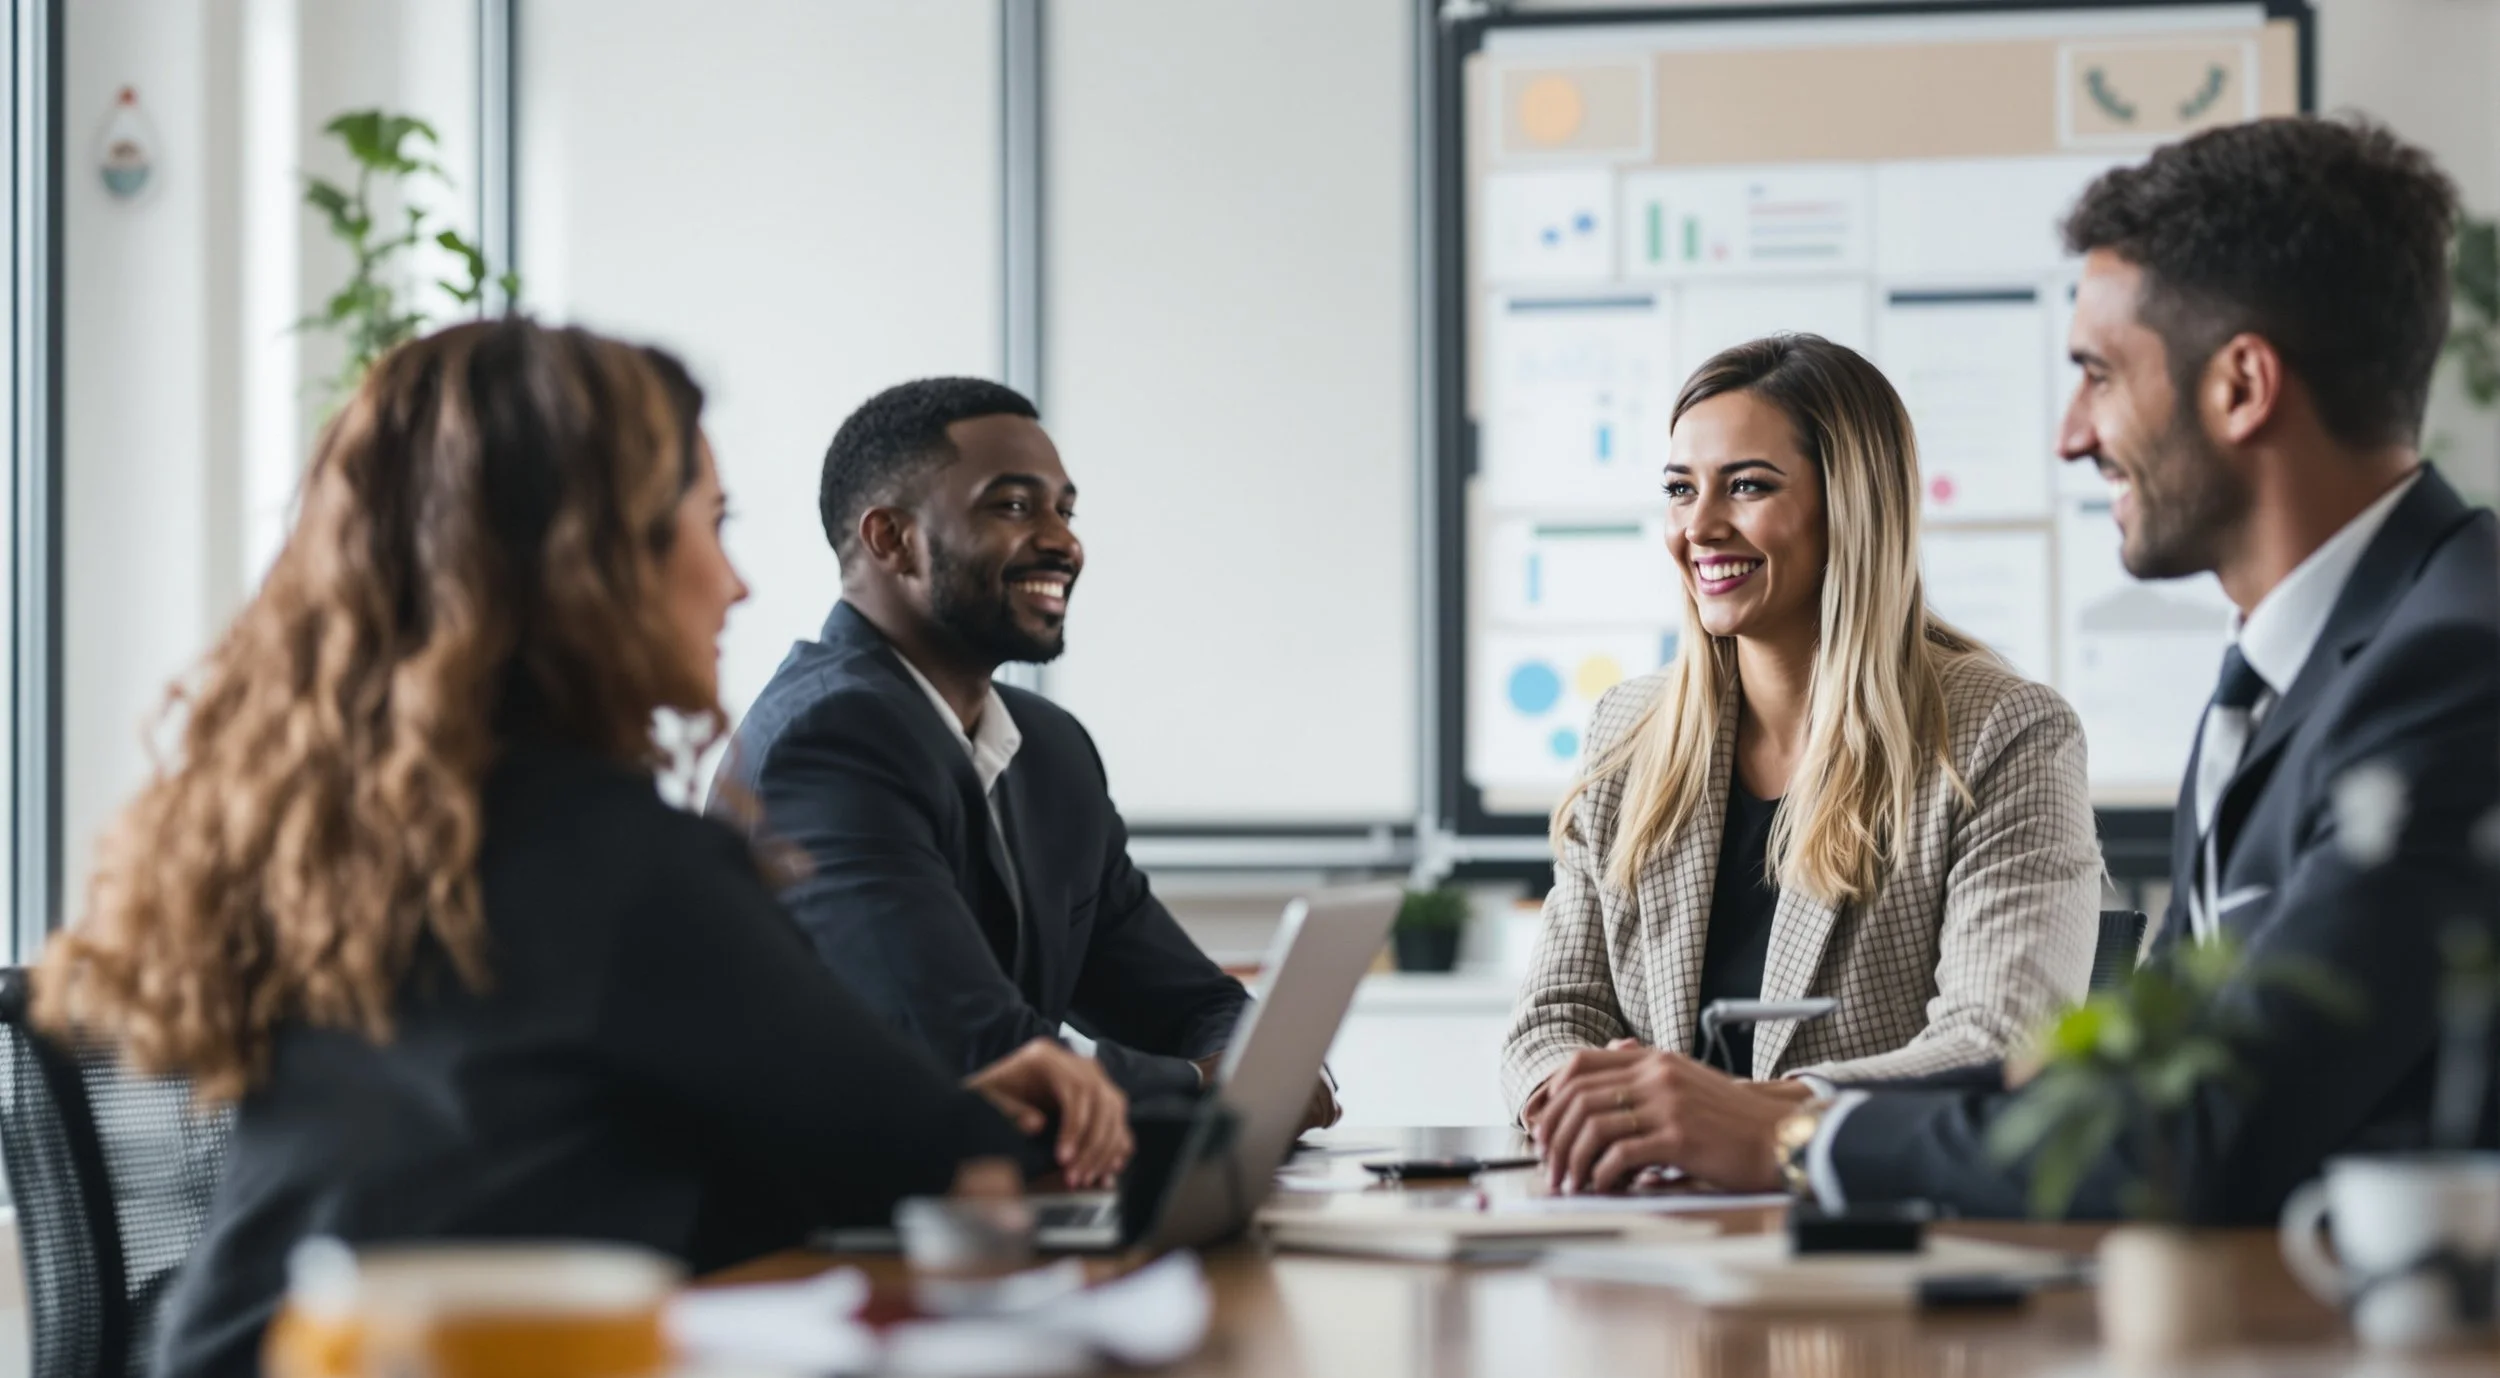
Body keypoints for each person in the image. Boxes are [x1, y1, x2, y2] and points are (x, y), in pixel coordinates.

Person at [32, 322, 1133, 1378]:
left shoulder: (360, 835)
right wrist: (997, 1113)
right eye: (712, 523)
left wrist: (941, 1111)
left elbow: (682, 1129)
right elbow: (931, 1159)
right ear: (593, 561)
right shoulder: (617, 861)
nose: (737, 584)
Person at [1528, 116, 2500, 1222]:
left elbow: (2198, 1126)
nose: (2070, 436)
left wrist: (1794, 1133)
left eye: (2097, 373)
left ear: (2240, 387)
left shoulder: (2451, 671)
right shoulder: (2291, 676)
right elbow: (2158, 1077)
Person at [1506, 336, 2103, 1176]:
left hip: (1870, 1235)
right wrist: (1582, 1114)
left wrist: (1761, 1123)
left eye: (1747, 486)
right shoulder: (1628, 731)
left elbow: (1997, 1041)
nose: (1700, 527)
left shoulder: (2003, 734)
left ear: (1851, 505)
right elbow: (1555, 1014)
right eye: (1681, 490)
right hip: (1645, 1228)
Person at [711, 378, 1332, 1124]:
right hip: (832, 1230)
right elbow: (978, 1055)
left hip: (1001, 1213)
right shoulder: (833, 738)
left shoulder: (1050, 750)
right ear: (891, 538)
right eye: (1012, 506)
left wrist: (1263, 1066)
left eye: (1065, 510)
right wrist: (1215, 1089)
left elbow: (1191, 1003)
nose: (1062, 541)